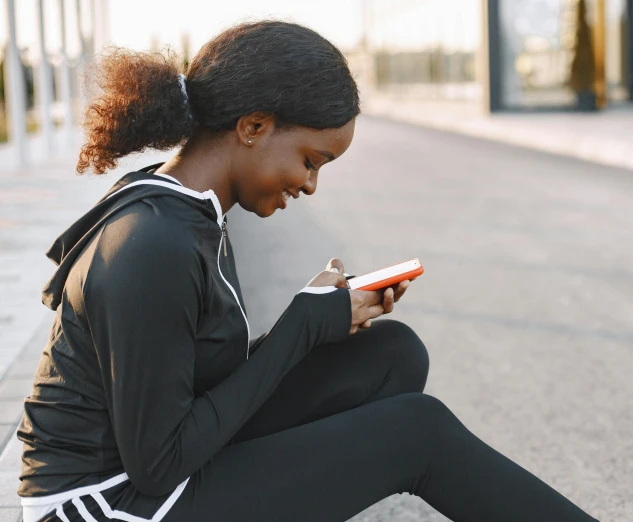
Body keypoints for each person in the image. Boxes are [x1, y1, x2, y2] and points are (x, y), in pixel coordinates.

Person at [16, 20, 598, 522]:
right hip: (106, 505)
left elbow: (191, 386)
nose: (310, 184)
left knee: (389, 355)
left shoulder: (189, 212)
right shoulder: (151, 243)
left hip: (153, 478)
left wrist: (322, 318)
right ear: (253, 127)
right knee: (416, 432)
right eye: (310, 160)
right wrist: (302, 326)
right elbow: (158, 462)